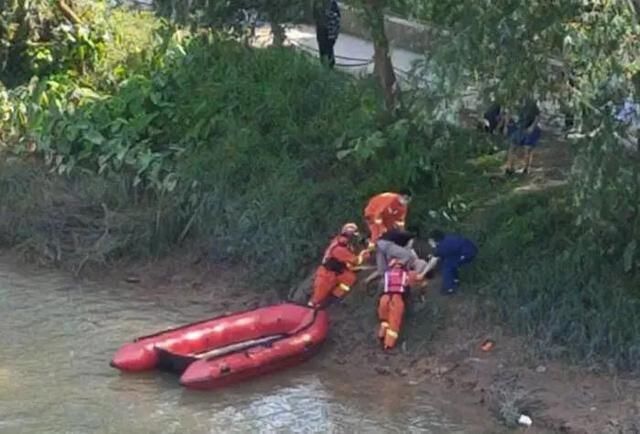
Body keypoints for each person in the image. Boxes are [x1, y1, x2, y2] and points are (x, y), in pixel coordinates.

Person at [308, 222, 369, 308]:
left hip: (339, 270)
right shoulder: (340, 249)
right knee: (318, 296)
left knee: (350, 278)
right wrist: (363, 255)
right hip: (327, 274)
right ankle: (312, 309)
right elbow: (355, 261)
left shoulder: (339, 241)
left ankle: (334, 297)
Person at [363, 228, 428, 287]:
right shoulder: (409, 245)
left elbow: (381, 270)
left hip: (383, 245)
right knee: (405, 257)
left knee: (383, 270)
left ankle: (368, 281)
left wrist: (368, 279)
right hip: (386, 244)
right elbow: (407, 253)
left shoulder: (400, 245)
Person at [423, 230, 477, 295]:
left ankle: (449, 288)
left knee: (447, 265)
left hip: (467, 253)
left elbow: (433, 261)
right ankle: (455, 280)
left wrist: (422, 274)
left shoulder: (442, 246)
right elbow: (445, 253)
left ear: (434, 240)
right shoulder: (445, 240)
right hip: (469, 249)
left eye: (430, 241)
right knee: (449, 261)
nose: (429, 243)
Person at [377, 258, 410, 350]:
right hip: (396, 299)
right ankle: (388, 344)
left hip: (384, 298)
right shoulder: (404, 274)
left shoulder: (387, 274)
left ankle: (381, 335)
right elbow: (407, 287)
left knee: (384, 320)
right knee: (394, 323)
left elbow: (381, 288)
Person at [504, 97, 542, 175]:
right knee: (512, 147)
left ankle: (526, 168)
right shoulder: (513, 101)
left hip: (528, 128)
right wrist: (506, 125)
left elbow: (537, 116)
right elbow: (508, 113)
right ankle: (509, 167)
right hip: (517, 128)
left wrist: (532, 127)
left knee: (527, 149)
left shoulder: (531, 103)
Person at [313, 0, 341, 68]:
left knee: (328, 49)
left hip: (329, 30)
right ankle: (324, 66)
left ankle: (330, 66)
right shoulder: (317, 2)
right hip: (321, 29)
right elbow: (314, 15)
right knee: (323, 49)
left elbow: (337, 17)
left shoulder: (332, 3)